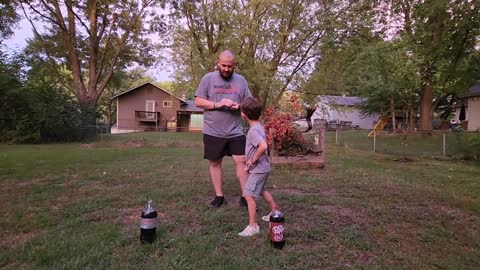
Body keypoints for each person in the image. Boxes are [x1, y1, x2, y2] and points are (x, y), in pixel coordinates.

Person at [195, 50, 252, 208]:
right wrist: (218, 104)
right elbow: (198, 101)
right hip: (213, 131)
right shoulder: (208, 78)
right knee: (215, 163)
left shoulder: (241, 80)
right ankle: (219, 197)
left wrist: (238, 106)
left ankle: (245, 196)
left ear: (234, 65)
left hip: (235, 131)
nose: (226, 69)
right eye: (224, 65)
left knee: (242, 161)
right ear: (218, 63)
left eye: (230, 66)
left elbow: (249, 103)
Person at [238, 97, 279, 237]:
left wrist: (252, 161)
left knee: (248, 195)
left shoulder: (253, 131)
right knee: (261, 189)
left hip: (259, 168)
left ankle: (253, 226)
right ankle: (274, 211)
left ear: (244, 114)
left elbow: (263, 146)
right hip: (263, 168)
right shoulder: (258, 126)